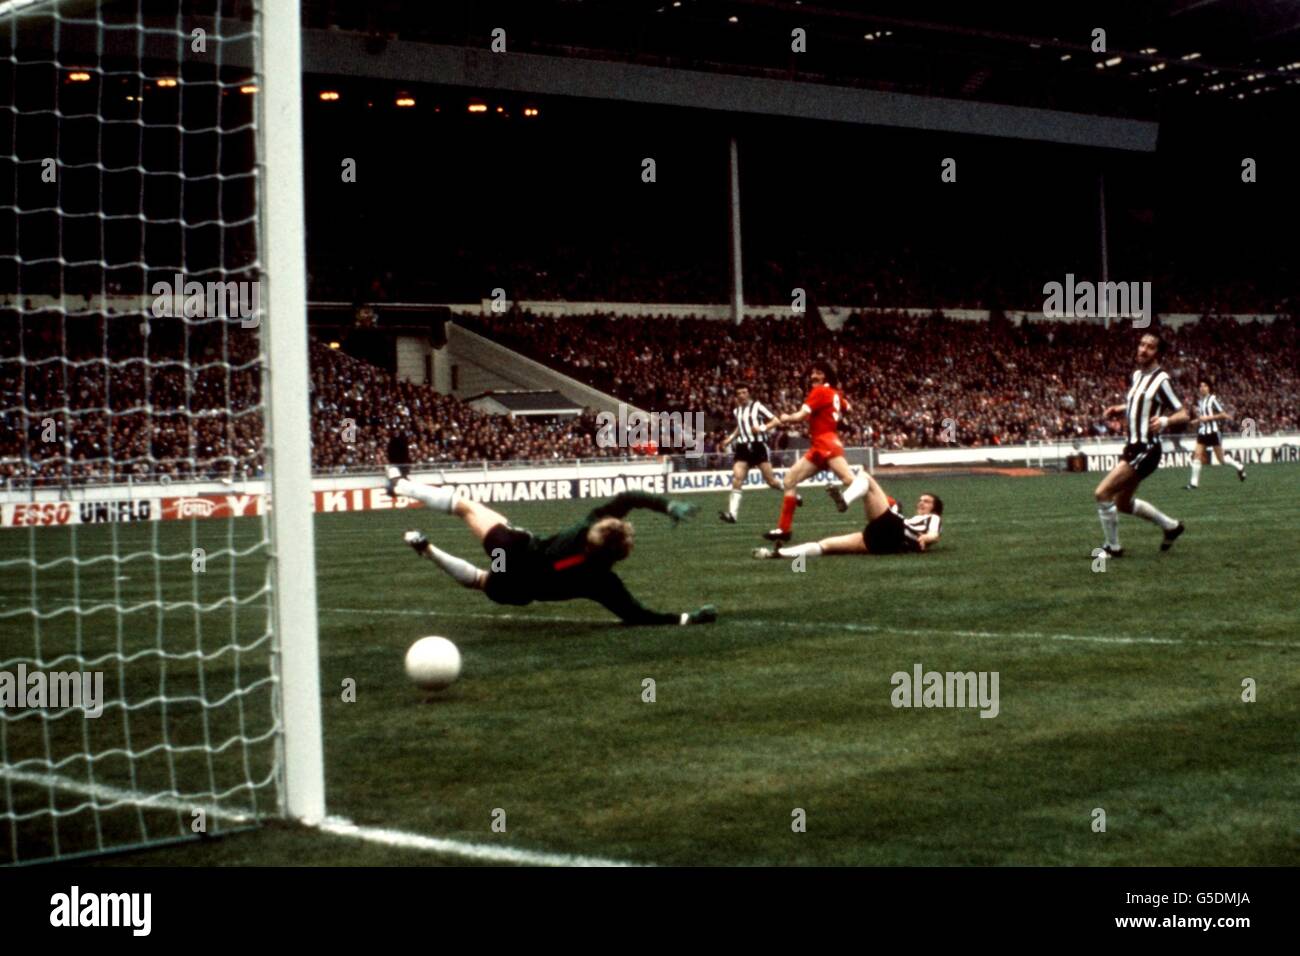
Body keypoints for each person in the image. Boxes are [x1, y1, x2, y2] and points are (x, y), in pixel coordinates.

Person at [383, 439, 716, 626]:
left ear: (601, 528)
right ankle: (429, 551)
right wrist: (687, 618)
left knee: (467, 507)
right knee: (481, 581)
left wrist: (668, 505)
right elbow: (637, 615)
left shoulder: (590, 524)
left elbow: (629, 498)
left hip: (507, 551)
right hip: (516, 588)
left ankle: (400, 483)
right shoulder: (602, 581)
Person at [1094, 332, 1189, 557]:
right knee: (1122, 504)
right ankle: (1172, 526)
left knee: (1102, 493)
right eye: (1141, 344)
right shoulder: (1137, 375)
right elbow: (1139, 404)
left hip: (1147, 448)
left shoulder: (1162, 380)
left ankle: (1112, 547)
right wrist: (1120, 408)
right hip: (1134, 447)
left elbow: (1183, 413)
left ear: (1158, 353)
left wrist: (1166, 420)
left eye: (1150, 347)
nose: (1143, 349)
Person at [759, 362, 856, 542]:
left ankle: (890, 505)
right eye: (812, 373)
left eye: (818, 373)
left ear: (825, 376)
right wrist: (840, 419)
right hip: (820, 444)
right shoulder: (836, 394)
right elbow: (848, 407)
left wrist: (787, 418)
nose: (813, 376)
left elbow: (800, 416)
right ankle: (784, 530)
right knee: (789, 480)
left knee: (850, 480)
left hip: (826, 443)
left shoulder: (819, 391)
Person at [753, 471, 942, 559]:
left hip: (895, 532)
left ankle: (845, 499)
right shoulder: (913, 519)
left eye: (927, 501)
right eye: (921, 499)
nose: (921, 502)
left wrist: (927, 538)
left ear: (935, 508)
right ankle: (777, 554)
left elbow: (934, 534)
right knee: (825, 545)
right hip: (881, 543)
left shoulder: (934, 518)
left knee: (865, 477)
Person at [718, 384, 798, 523]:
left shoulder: (757, 406)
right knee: (737, 479)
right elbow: (740, 426)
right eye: (740, 393)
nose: (742, 395)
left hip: (758, 446)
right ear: (736, 396)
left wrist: (762, 427)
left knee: (771, 482)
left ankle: (794, 496)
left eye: (744, 392)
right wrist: (729, 439)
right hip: (742, 447)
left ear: (748, 394)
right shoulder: (737, 411)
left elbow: (776, 420)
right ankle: (732, 514)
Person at [1185, 378, 1247, 489]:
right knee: (1197, 455)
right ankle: (1193, 483)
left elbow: (1223, 414)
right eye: (1200, 386)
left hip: (1213, 432)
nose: (1202, 388)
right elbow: (1202, 417)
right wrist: (1196, 421)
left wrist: (1208, 418)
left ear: (1209, 388)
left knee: (1221, 459)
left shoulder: (1212, 399)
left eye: (1204, 386)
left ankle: (1239, 466)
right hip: (1202, 432)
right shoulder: (1200, 402)